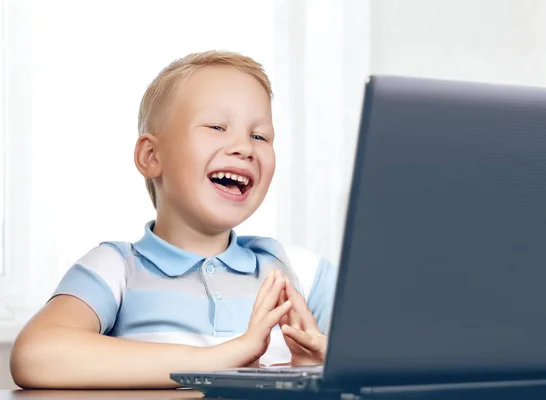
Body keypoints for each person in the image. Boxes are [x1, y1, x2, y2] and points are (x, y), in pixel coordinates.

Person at [10, 51, 337, 389]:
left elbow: (388, 352)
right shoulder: (117, 268)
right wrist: (221, 361)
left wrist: (326, 367)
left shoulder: (295, 270)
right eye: (216, 127)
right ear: (152, 156)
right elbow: (35, 355)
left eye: (259, 136)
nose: (244, 147)